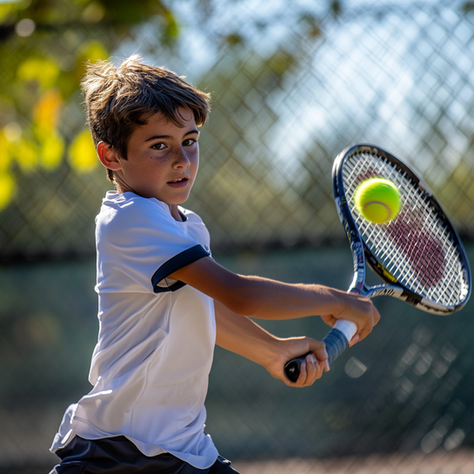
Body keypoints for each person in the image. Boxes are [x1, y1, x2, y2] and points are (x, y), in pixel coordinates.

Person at [49, 55, 380, 474]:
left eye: (189, 140)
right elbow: (239, 294)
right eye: (159, 146)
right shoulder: (130, 220)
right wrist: (337, 301)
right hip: (120, 453)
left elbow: (203, 307)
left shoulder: (183, 225)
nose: (182, 160)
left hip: (182, 450)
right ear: (110, 156)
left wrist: (272, 352)